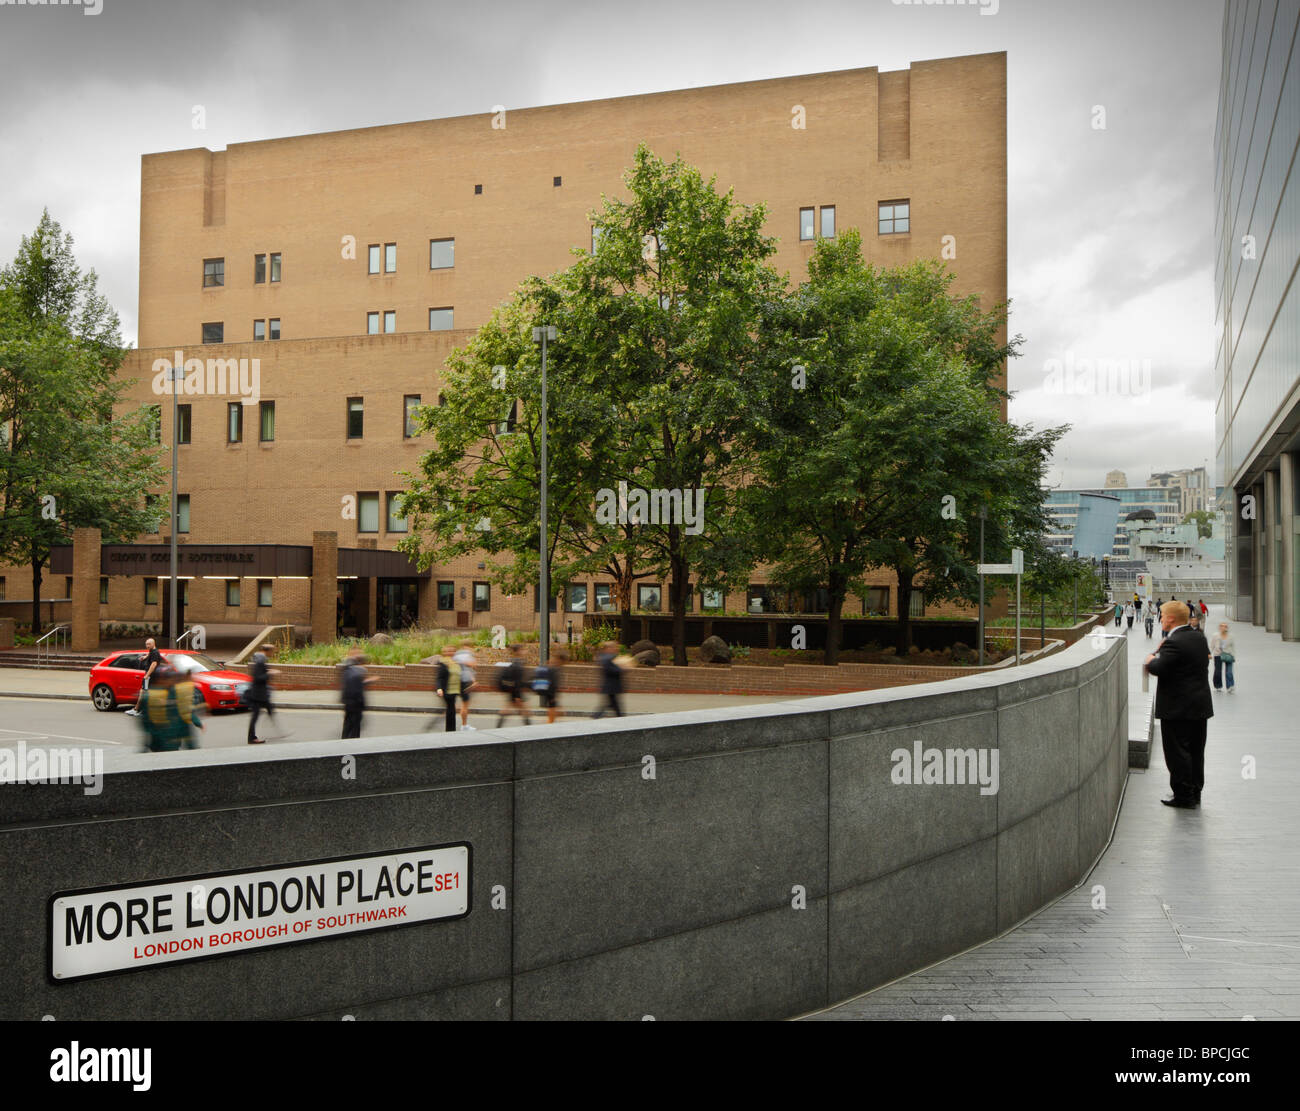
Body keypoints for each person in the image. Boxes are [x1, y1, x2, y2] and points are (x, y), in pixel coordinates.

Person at [1144, 601, 1214, 808]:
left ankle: (1184, 795)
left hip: (1177, 709)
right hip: (1199, 707)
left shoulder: (1174, 641)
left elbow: (1160, 668)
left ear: (1171, 618)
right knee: (1196, 751)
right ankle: (1195, 792)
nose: (1161, 618)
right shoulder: (1198, 637)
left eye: (1163, 615)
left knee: (1177, 753)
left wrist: (1150, 659)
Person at [140, 666, 204, 752]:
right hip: (163, 741)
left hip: (170, 740)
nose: (172, 681)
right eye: (168, 678)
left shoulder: (173, 693)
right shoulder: (150, 697)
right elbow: (146, 721)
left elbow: (184, 713)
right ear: (159, 680)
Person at [246, 644, 288, 745]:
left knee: (270, 710)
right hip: (258, 694)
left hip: (261, 693)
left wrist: (268, 671)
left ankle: (278, 731)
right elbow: (257, 678)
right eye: (272, 651)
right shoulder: (260, 661)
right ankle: (251, 738)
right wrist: (270, 673)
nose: (273, 653)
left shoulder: (260, 660)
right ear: (267, 651)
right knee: (255, 716)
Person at [339, 647, 373, 739]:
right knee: (353, 729)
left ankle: (345, 744)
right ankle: (350, 747)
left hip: (351, 702)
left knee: (349, 727)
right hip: (354, 703)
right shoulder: (353, 669)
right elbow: (353, 683)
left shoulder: (350, 667)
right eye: (356, 653)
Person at [125, 637, 163, 717]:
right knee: (146, 693)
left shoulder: (155, 653)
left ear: (153, 644)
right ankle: (140, 710)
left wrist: (147, 675)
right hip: (151, 676)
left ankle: (138, 710)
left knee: (143, 692)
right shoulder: (153, 651)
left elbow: (154, 664)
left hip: (150, 676)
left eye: (149, 644)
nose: (147, 646)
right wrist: (145, 657)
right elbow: (150, 654)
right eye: (146, 644)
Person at [496, 643, 531, 727]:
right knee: (524, 709)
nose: (524, 651)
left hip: (512, 689)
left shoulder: (511, 661)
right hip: (515, 691)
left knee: (509, 708)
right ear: (518, 651)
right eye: (522, 650)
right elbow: (517, 681)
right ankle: (529, 728)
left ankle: (499, 725)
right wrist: (517, 696)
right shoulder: (518, 663)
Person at [533, 647, 567, 725]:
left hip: (548, 690)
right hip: (550, 692)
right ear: (561, 660)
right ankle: (548, 724)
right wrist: (553, 696)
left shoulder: (550, 665)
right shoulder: (555, 668)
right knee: (552, 708)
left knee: (552, 709)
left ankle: (549, 723)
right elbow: (553, 683)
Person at [593, 641, 625, 719]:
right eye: (613, 647)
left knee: (612, 704)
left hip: (611, 687)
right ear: (607, 648)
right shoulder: (607, 658)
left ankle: (596, 716)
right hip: (611, 686)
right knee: (613, 705)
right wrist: (622, 669)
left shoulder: (608, 657)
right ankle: (621, 719)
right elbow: (611, 670)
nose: (615, 649)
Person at [434, 644, 463, 733]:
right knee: (451, 709)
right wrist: (439, 688)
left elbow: (459, 675)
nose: (450, 652)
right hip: (446, 689)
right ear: (444, 652)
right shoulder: (443, 663)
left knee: (451, 709)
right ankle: (450, 730)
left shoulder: (456, 662)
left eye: (452, 650)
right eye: (448, 651)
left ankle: (451, 730)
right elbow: (439, 677)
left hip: (455, 689)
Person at [453, 640, 478, 730]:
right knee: (465, 705)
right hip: (463, 682)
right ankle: (464, 726)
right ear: (468, 645)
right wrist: (473, 680)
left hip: (455, 681)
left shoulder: (456, 654)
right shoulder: (468, 654)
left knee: (458, 703)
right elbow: (472, 666)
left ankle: (460, 724)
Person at [1209, 621, 1236, 693]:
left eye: (1225, 626)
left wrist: (1233, 655)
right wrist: (1209, 653)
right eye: (1221, 626)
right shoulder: (1215, 635)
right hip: (1218, 654)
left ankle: (1230, 686)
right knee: (1218, 671)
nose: (1223, 627)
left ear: (1227, 628)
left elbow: (1232, 646)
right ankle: (1218, 686)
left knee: (1229, 672)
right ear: (1219, 627)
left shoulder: (1230, 636)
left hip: (1228, 654)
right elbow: (1212, 645)